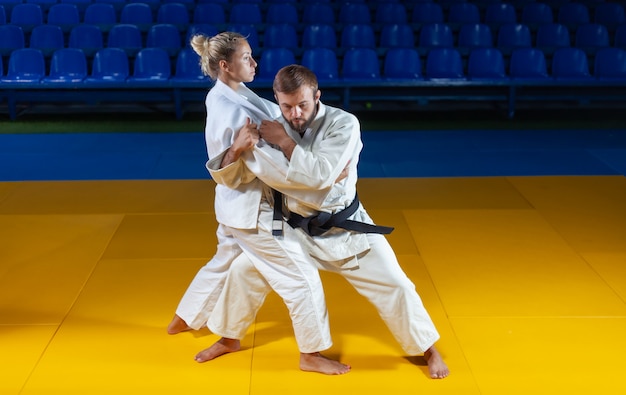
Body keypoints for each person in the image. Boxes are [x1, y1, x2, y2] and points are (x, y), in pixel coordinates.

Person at [198, 65, 450, 379]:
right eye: (287, 106)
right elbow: (241, 177)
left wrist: (287, 145)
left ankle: (429, 349)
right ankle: (228, 338)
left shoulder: (343, 124)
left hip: (344, 227)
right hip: (293, 228)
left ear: (317, 96)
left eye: (303, 104)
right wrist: (236, 149)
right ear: (277, 100)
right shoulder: (272, 126)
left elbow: (319, 177)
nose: (295, 113)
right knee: (244, 271)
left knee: (396, 284)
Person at [167, 32, 350, 375]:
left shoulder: (228, 93)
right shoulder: (233, 108)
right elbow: (272, 168)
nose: (254, 62)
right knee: (301, 278)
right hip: (254, 211)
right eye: (246, 57)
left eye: (252, 55)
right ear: (225, 65)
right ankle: (310, 353)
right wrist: (322, 179)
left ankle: (189, 320)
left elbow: (273, 126)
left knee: (231, 265)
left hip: (234, 206)